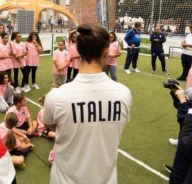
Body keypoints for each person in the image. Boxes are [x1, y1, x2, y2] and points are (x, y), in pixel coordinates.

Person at [43, 24, 132, 184]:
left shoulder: (56, 96)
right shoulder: (123, 93)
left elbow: (50, 126)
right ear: (106, 52)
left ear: (79, 51)